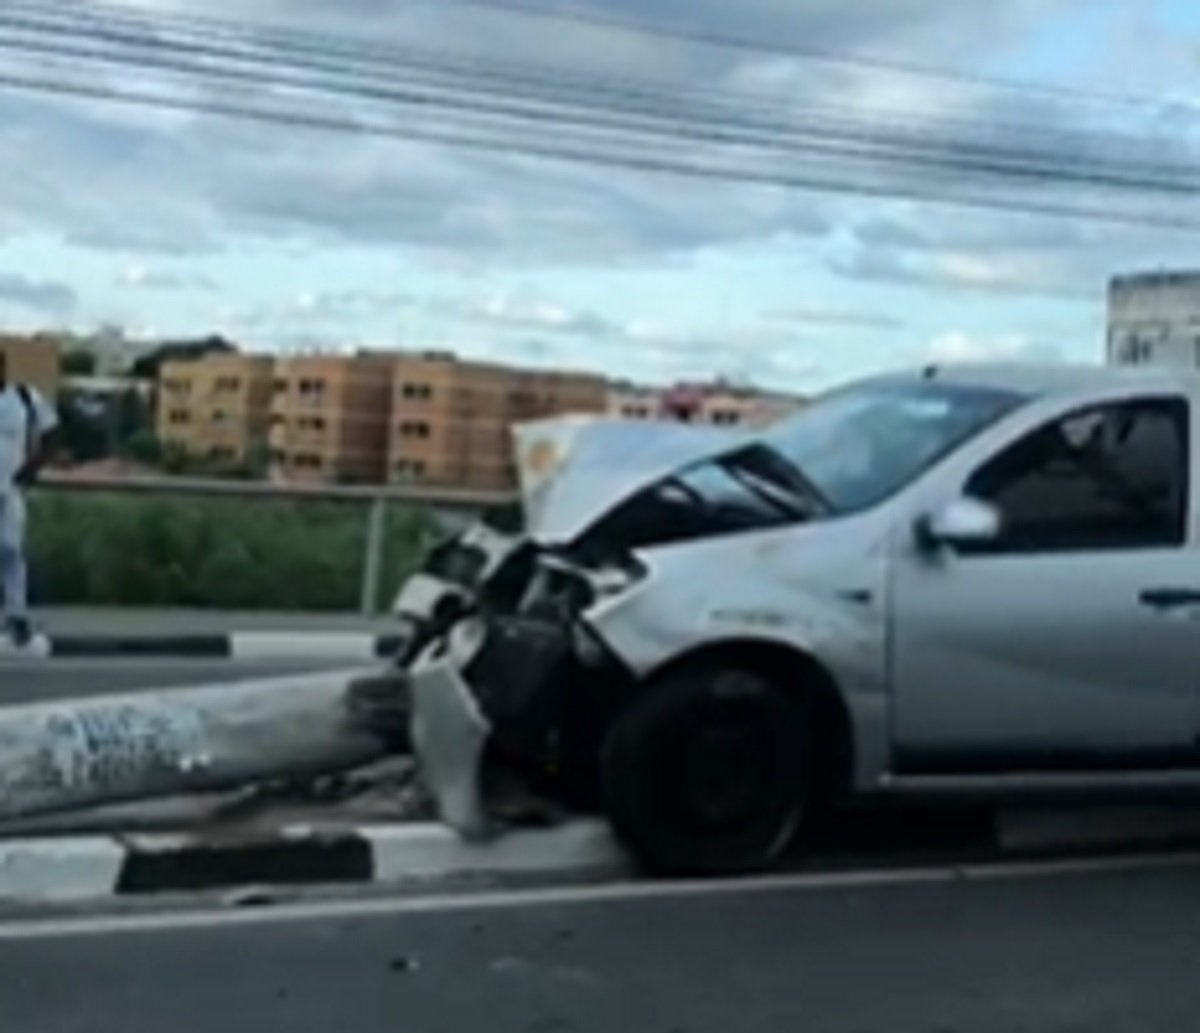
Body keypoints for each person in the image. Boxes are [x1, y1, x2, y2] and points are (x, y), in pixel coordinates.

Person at [0, 351, 58, 655]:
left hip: (10, 489)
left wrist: (32, 468)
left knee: (11, 550)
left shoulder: (24, 398)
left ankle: (16, 616)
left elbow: (50, 434)